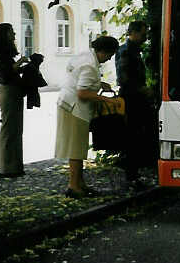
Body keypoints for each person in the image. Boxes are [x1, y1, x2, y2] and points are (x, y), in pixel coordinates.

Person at [56, 35, 120, 198]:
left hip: (67, 103)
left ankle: (79, 183)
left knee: (78, 147)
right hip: (75, 109)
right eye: (110, 55)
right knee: (76, 149)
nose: (109, 59)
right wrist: (106, 99)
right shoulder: (91, 65)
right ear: (103, 51)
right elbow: (82, 92)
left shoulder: (84, 55)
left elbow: (72, 70)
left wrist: (99, 85)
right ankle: (74, 186)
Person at [0, 23, 29, 177]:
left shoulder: (4, 52)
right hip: (9, 91)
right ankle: (7, 168)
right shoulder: (1, 52)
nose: (14, 34)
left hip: (12, 91)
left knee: (15, 130)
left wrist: (24, 66)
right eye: (11, 32)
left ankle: (15, 166)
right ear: (4, 34)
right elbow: (5, 74)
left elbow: (11, 72)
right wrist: (21, 62)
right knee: (10, 130)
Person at [114, 21, 153, 185]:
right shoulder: (126, 51)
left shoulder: (133, 50)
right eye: (144, 34)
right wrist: (142, 89)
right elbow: (125, 79)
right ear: (134, 33)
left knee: (137, 135)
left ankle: (134, 172)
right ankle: (132, 174)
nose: (145, 37)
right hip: (131, 98)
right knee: (132, 135)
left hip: (135, 96)